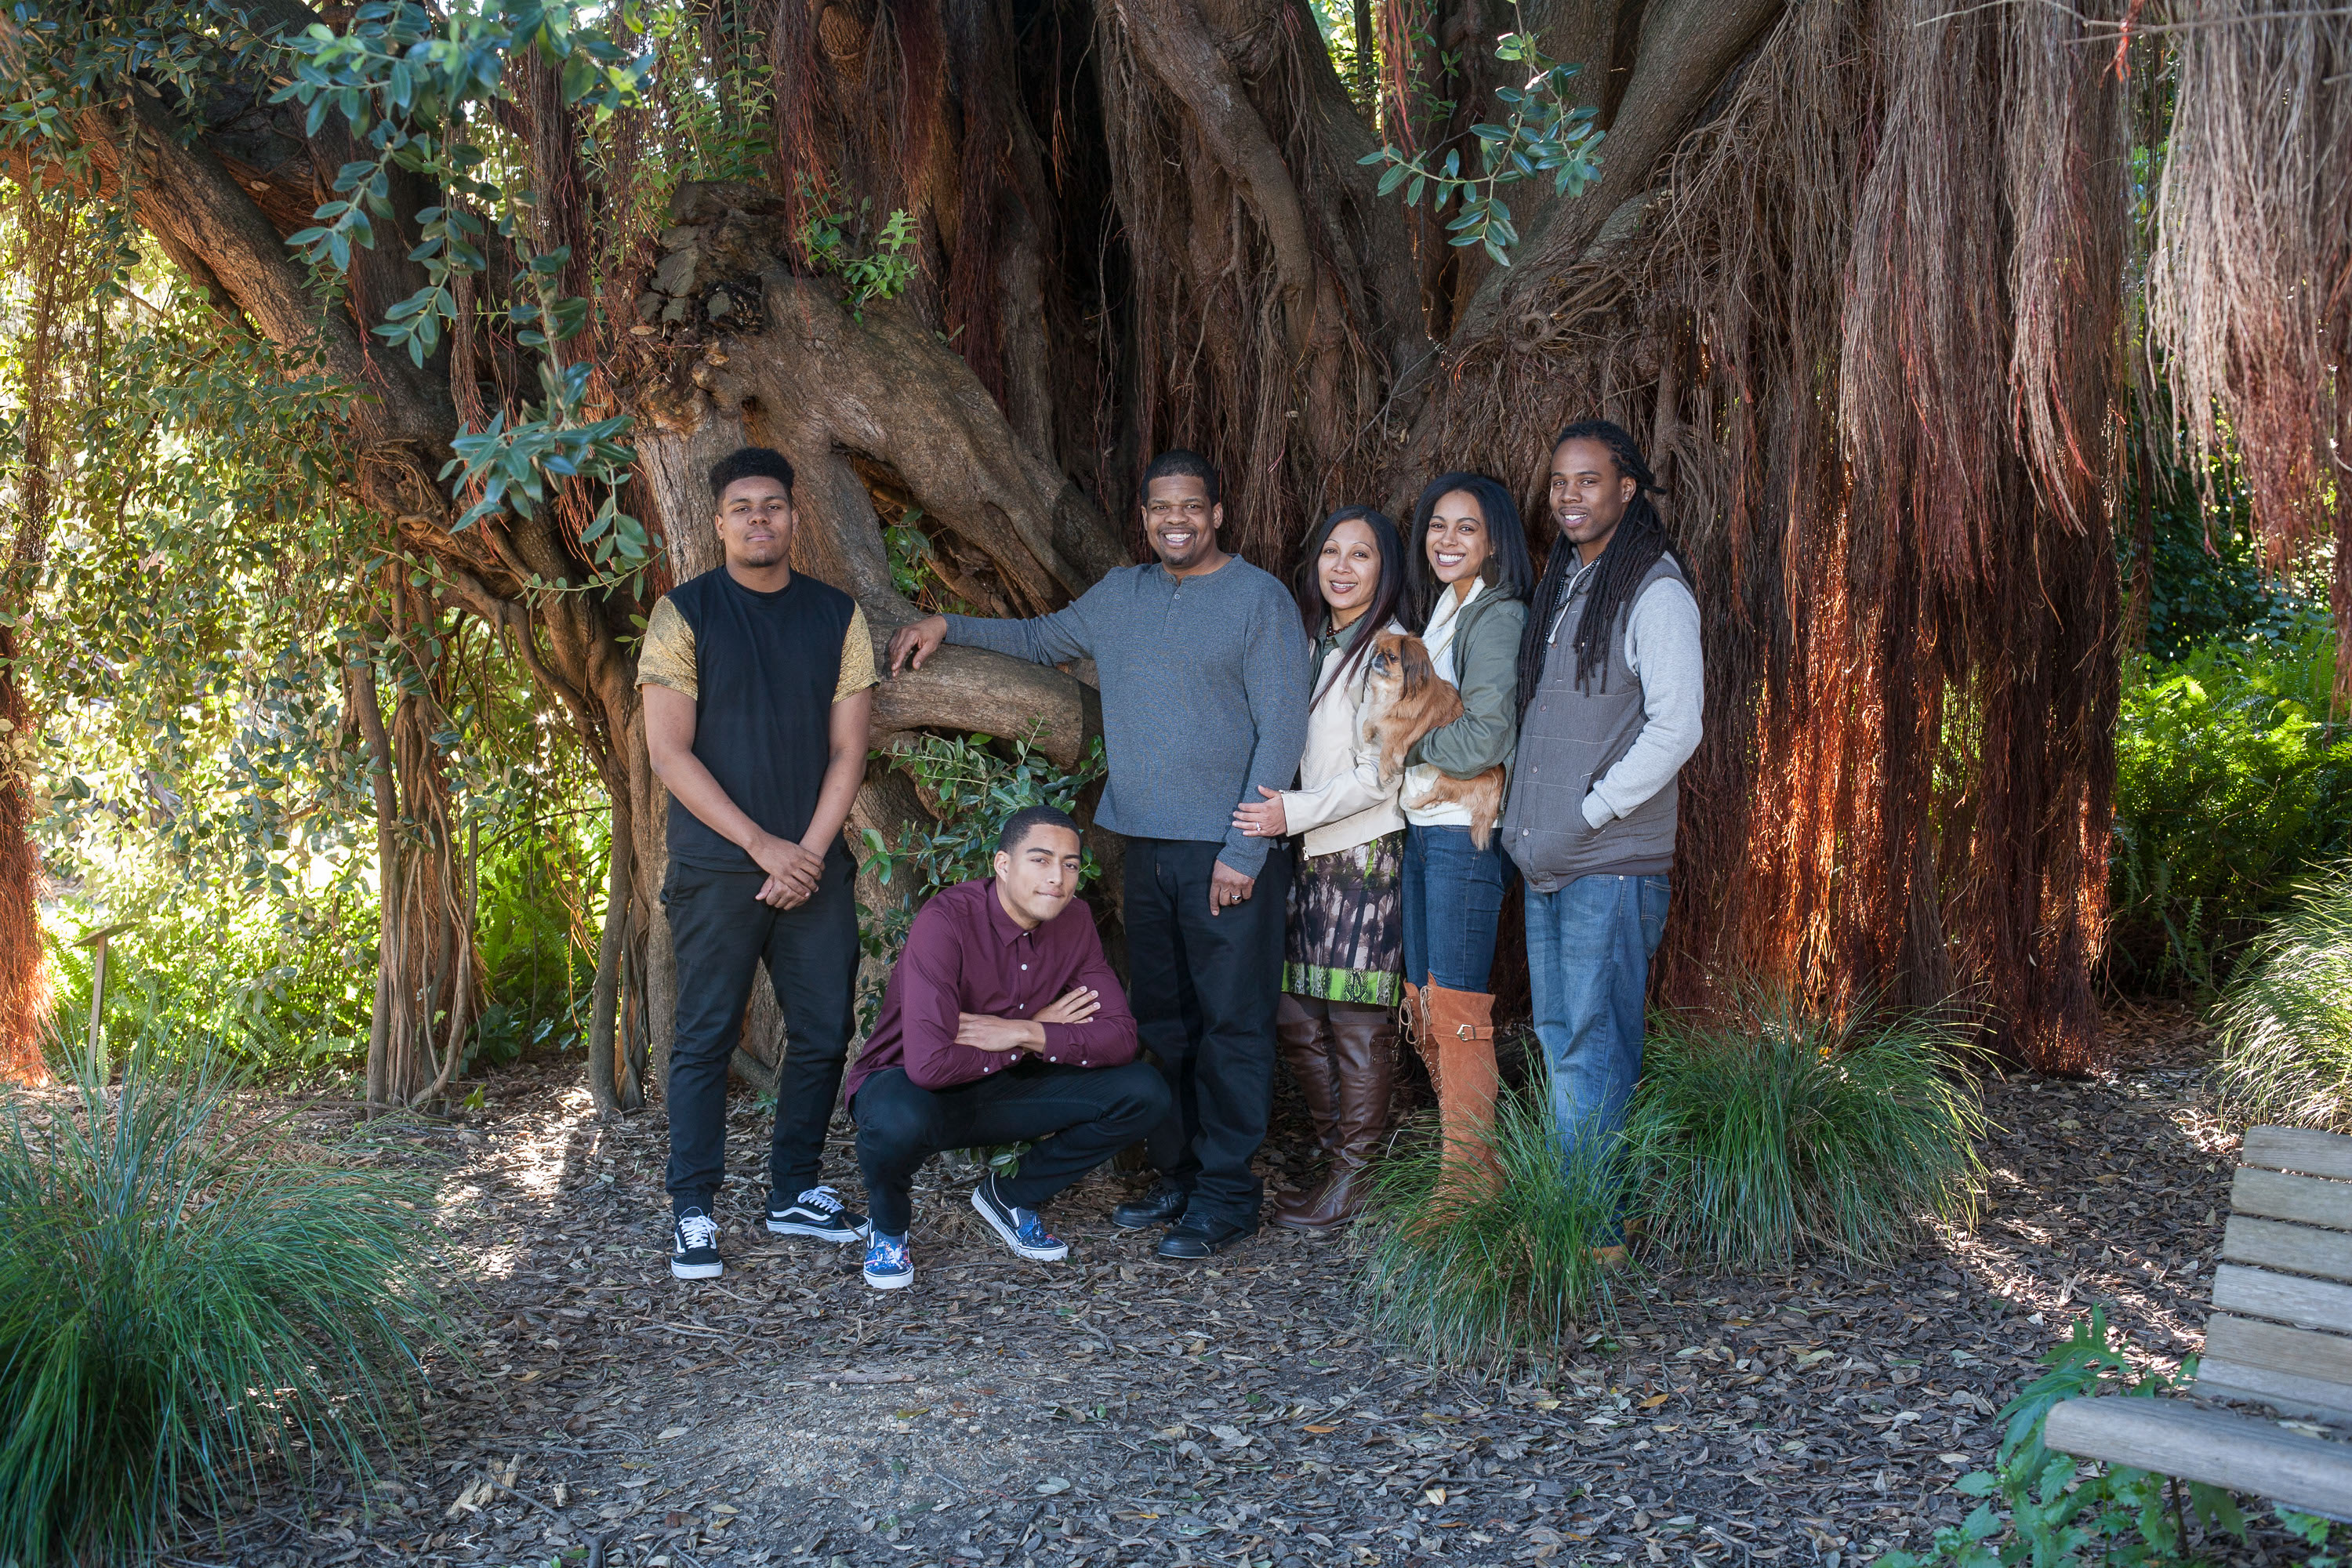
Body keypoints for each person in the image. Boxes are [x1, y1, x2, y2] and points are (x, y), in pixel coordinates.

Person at [889, 450, 1309, 1259]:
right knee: (1167, 1021)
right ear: (1145, 517)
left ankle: (1227, 1192)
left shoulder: (1260, 600)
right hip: (1144, 847)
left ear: (1218, 514)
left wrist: (1245, 850)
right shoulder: (1120, 595)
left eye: (1192, 506)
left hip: (1226, 853)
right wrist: (947, 625)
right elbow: (1038, 638)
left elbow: (1282, 729)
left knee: (1233, 1026)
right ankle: (1180, 1173)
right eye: (1162, 508)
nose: (1177, 521)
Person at [637, 445, 875, 1281]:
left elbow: (849, 750)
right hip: (717, 866)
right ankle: (693, 1208)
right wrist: (761, 844)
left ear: (795, 518)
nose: (758, 519)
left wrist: (807, 852)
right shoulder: (684, 613)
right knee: (705, 1035)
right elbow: (668, 753)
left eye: (772, 505)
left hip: (814, 867)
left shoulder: (837, 616)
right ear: (717, 523)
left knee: (824, 1029)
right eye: (742, 508)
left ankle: (794, 1189)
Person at [1498, 420, 1703, 1246]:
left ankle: (1589, 1230)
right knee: (1563, 1042)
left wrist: (1586, 812)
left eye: (1589, 480)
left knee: (1593, 1046)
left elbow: (1677, 726)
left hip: (1609, 865)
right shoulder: (1568, 582)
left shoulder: (1655, 589)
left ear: (1628, 488)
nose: (1569, 496)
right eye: (1559, 482)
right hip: (1551, 861)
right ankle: (1593, 1211)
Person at [844, 806, 1170, 1290]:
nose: (1057, 878)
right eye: (1040, 860)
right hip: (914, 1088)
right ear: (1002, 864)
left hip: (1010, 1084)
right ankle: (888, 1226)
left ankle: (1012, 1195)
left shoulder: (1075, 921)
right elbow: (929, 1065)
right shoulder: (946, 920)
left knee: (1144, 1091)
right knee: (897, 1116)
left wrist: (1022, 1032)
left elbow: (1120, 1037)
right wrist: (1034, 1029)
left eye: (1070, 864)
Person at [1232, 506, 1410, 1231]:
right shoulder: (1306, 641)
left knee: (1356, 1020)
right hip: (1305, 856)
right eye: (1332, 551)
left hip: (1364, 855)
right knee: (1297, 1013)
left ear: (1385, 569)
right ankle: (1339, 1160)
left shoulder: (1393, 651)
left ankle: (1356, 1179)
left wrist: (1290, 812)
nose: (1341, 566)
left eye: (1360, 555)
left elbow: (1381, 773)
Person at [1396, 473, 1532, 1189]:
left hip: (1465, 835)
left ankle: (1471, 1185)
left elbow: (1485, 737)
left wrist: (1406, 746)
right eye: (1438, 525)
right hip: (1426, 827)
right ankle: (1471, 1171)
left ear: (1495, 540)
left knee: (1456, 1008)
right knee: (1425, 1001)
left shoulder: (1496, 615)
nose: (1447, 540)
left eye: (1467, 527)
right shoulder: (1446, 609)